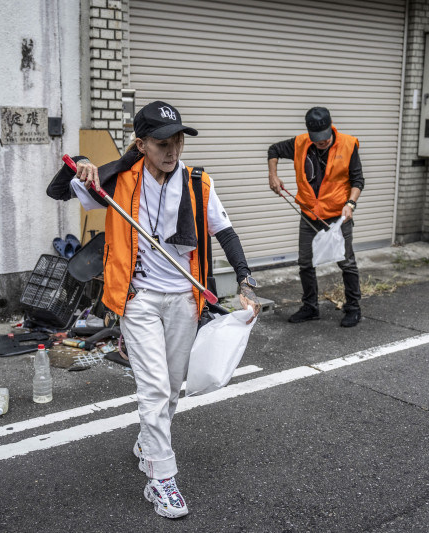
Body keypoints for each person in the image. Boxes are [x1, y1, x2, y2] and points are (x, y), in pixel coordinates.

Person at [47, 100, 260, 519]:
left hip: (185, 298)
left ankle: (149, 441)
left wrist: (246, 279)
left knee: (173, 386)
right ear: (141, 143)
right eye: (162, 142)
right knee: (155, 389)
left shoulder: (198, 183)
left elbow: (225, 231)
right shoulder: (118, 180)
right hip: (138, 299)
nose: (172, 150)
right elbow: (57, 190)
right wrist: (86, 164)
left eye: (177, 140)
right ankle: (162, 479)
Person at [267, 106, 363, 327]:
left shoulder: (348, 145)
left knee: (347, 263)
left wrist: (351, 203)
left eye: (325, 138)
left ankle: (353, 308)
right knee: (305, 263)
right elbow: (273, 150)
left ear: (331, 128)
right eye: (317, 138)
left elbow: (358, 181)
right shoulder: (300, 143)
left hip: (339, 216)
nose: (322, 142)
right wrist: (273, 175)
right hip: (309, 214)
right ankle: (310, 307)